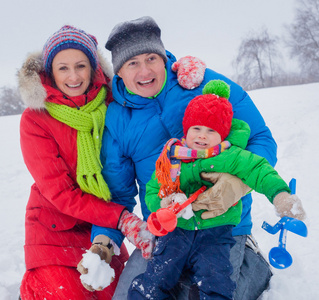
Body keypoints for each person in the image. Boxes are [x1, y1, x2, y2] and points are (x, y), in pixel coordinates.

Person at [77, 16, 282, 299]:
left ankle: (251, 263)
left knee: (206, 292)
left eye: (151, 58)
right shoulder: (117, 119)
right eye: (132, 63)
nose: (144, 70)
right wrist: (104, 241)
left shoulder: (205, 85)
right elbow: (117, 195)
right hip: (165, 232)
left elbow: (262, 138)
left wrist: (238, 183)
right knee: (131, 295)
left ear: (163, 58)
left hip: (222, 225)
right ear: (119, 73)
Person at [127, 80, 306, 299]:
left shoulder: (230, 156)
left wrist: (280, 195)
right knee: (158, 275)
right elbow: (153, 190)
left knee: (216, 278)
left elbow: (259, 169)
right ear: (187, 129)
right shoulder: (172, 158)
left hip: (215, 233)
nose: (202, 135)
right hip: (176, 232)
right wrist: (163, 203)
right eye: (196, 128)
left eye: (211, 130)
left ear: (222, 134)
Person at [18, 25, 157, 300]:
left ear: (93, 67)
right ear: (50, 71)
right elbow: (60, 193)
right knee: (67, 294)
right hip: (54, 228)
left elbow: (149, 78)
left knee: (122, 294)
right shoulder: (35, 119)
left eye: (81, 65)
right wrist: (120, 217)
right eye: (63, 68)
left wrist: (182, 69)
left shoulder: (112, 101)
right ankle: (34, 288)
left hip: (102, 229)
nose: (73, 76)